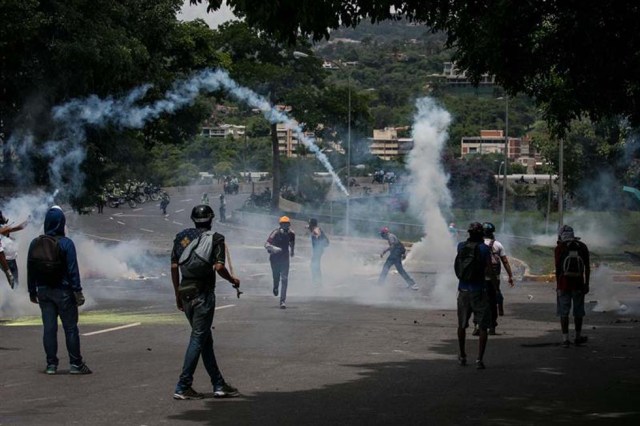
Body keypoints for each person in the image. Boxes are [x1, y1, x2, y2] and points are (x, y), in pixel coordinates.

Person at [171, 205, 240, 400]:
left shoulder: (181, 238)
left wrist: (177, 293)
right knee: (198, 338)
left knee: (205, 341)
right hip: (203, 295)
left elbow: (174, 267)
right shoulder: (215, 238)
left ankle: (219, 384)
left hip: (185, 293)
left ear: (193, 219)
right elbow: (219, 267)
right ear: (211, 219)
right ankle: (183, 385)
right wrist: (232, 280)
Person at [27, 206, 91, 375]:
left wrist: (31, 291)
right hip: (63, 291)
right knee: (70, 328)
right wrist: (77, 291)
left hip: (43, 291)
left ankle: (51, 365)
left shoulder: (35, 243)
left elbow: (30, 268)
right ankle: (76, 364)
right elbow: (72, 270)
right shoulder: (66, 243)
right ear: (62, 223)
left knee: (49, 328)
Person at [455, 222, 493, 369]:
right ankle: (479, 359)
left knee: (462, 325)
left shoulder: (460, 246)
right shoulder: (484, 249)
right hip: (479, 290)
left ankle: (463, 355)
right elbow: (489, 271)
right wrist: (496, 289)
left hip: (463, 290)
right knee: (483, 326)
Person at [472, 222, 514, 336]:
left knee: (478, 302)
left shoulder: (477, 244)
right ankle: (492, 327)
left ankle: (476, 325)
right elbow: (505, 261)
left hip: (478, 279)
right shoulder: (498, 245)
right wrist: (510, 276)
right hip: (494, 279)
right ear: (492, 233)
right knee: (492, 302)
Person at [555, 225, 590, 348]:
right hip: (579, 285)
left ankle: (565, 340)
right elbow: (587, 267)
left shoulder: (560, 248)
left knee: (564, 313)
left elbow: (558, 269)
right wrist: (587, 284)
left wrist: (558, 285)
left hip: (563, 285)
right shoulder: (582, 247)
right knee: (578, 312)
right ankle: (578, 337)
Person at [265, 216, 295, 309]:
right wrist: (274, 248)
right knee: (276, 276)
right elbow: (266, 244)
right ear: (280, 225)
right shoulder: (275, 233)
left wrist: (292, 251)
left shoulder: (291, 234)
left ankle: (282, 301)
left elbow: (292, 243)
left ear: (289, 225)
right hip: (274, 258)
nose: (285, 226)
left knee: (285, 279)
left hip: (285, 259)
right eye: (283, 224)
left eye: (287, 224)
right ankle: (275, 286)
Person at [308, 218, 328, 286]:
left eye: (310, 224)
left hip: (318, 251)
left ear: (312, 224)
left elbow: (318, 236)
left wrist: (317, 238)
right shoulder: (316, 228)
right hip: (318, 250)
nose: (309, 225)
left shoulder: (316, 230)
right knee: (315, 265)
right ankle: (317, 281)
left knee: (314, 266)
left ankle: (317, 282)